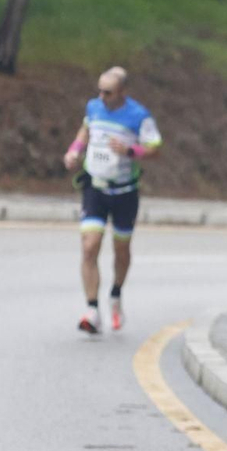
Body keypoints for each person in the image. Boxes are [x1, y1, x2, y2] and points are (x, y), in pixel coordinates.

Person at [61, 65, 162, 333]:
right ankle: (92, 309)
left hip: (125, 192)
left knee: (120, 249)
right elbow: (84, 133)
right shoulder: (93, 107)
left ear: (123, 92)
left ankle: (115, 294)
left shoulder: (139, 115)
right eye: (100, 91)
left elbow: (155, 149)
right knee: (90, 245)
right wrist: (73, 152)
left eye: (108, 92)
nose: (102, 97)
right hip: (95, 188)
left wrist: (131, 150)